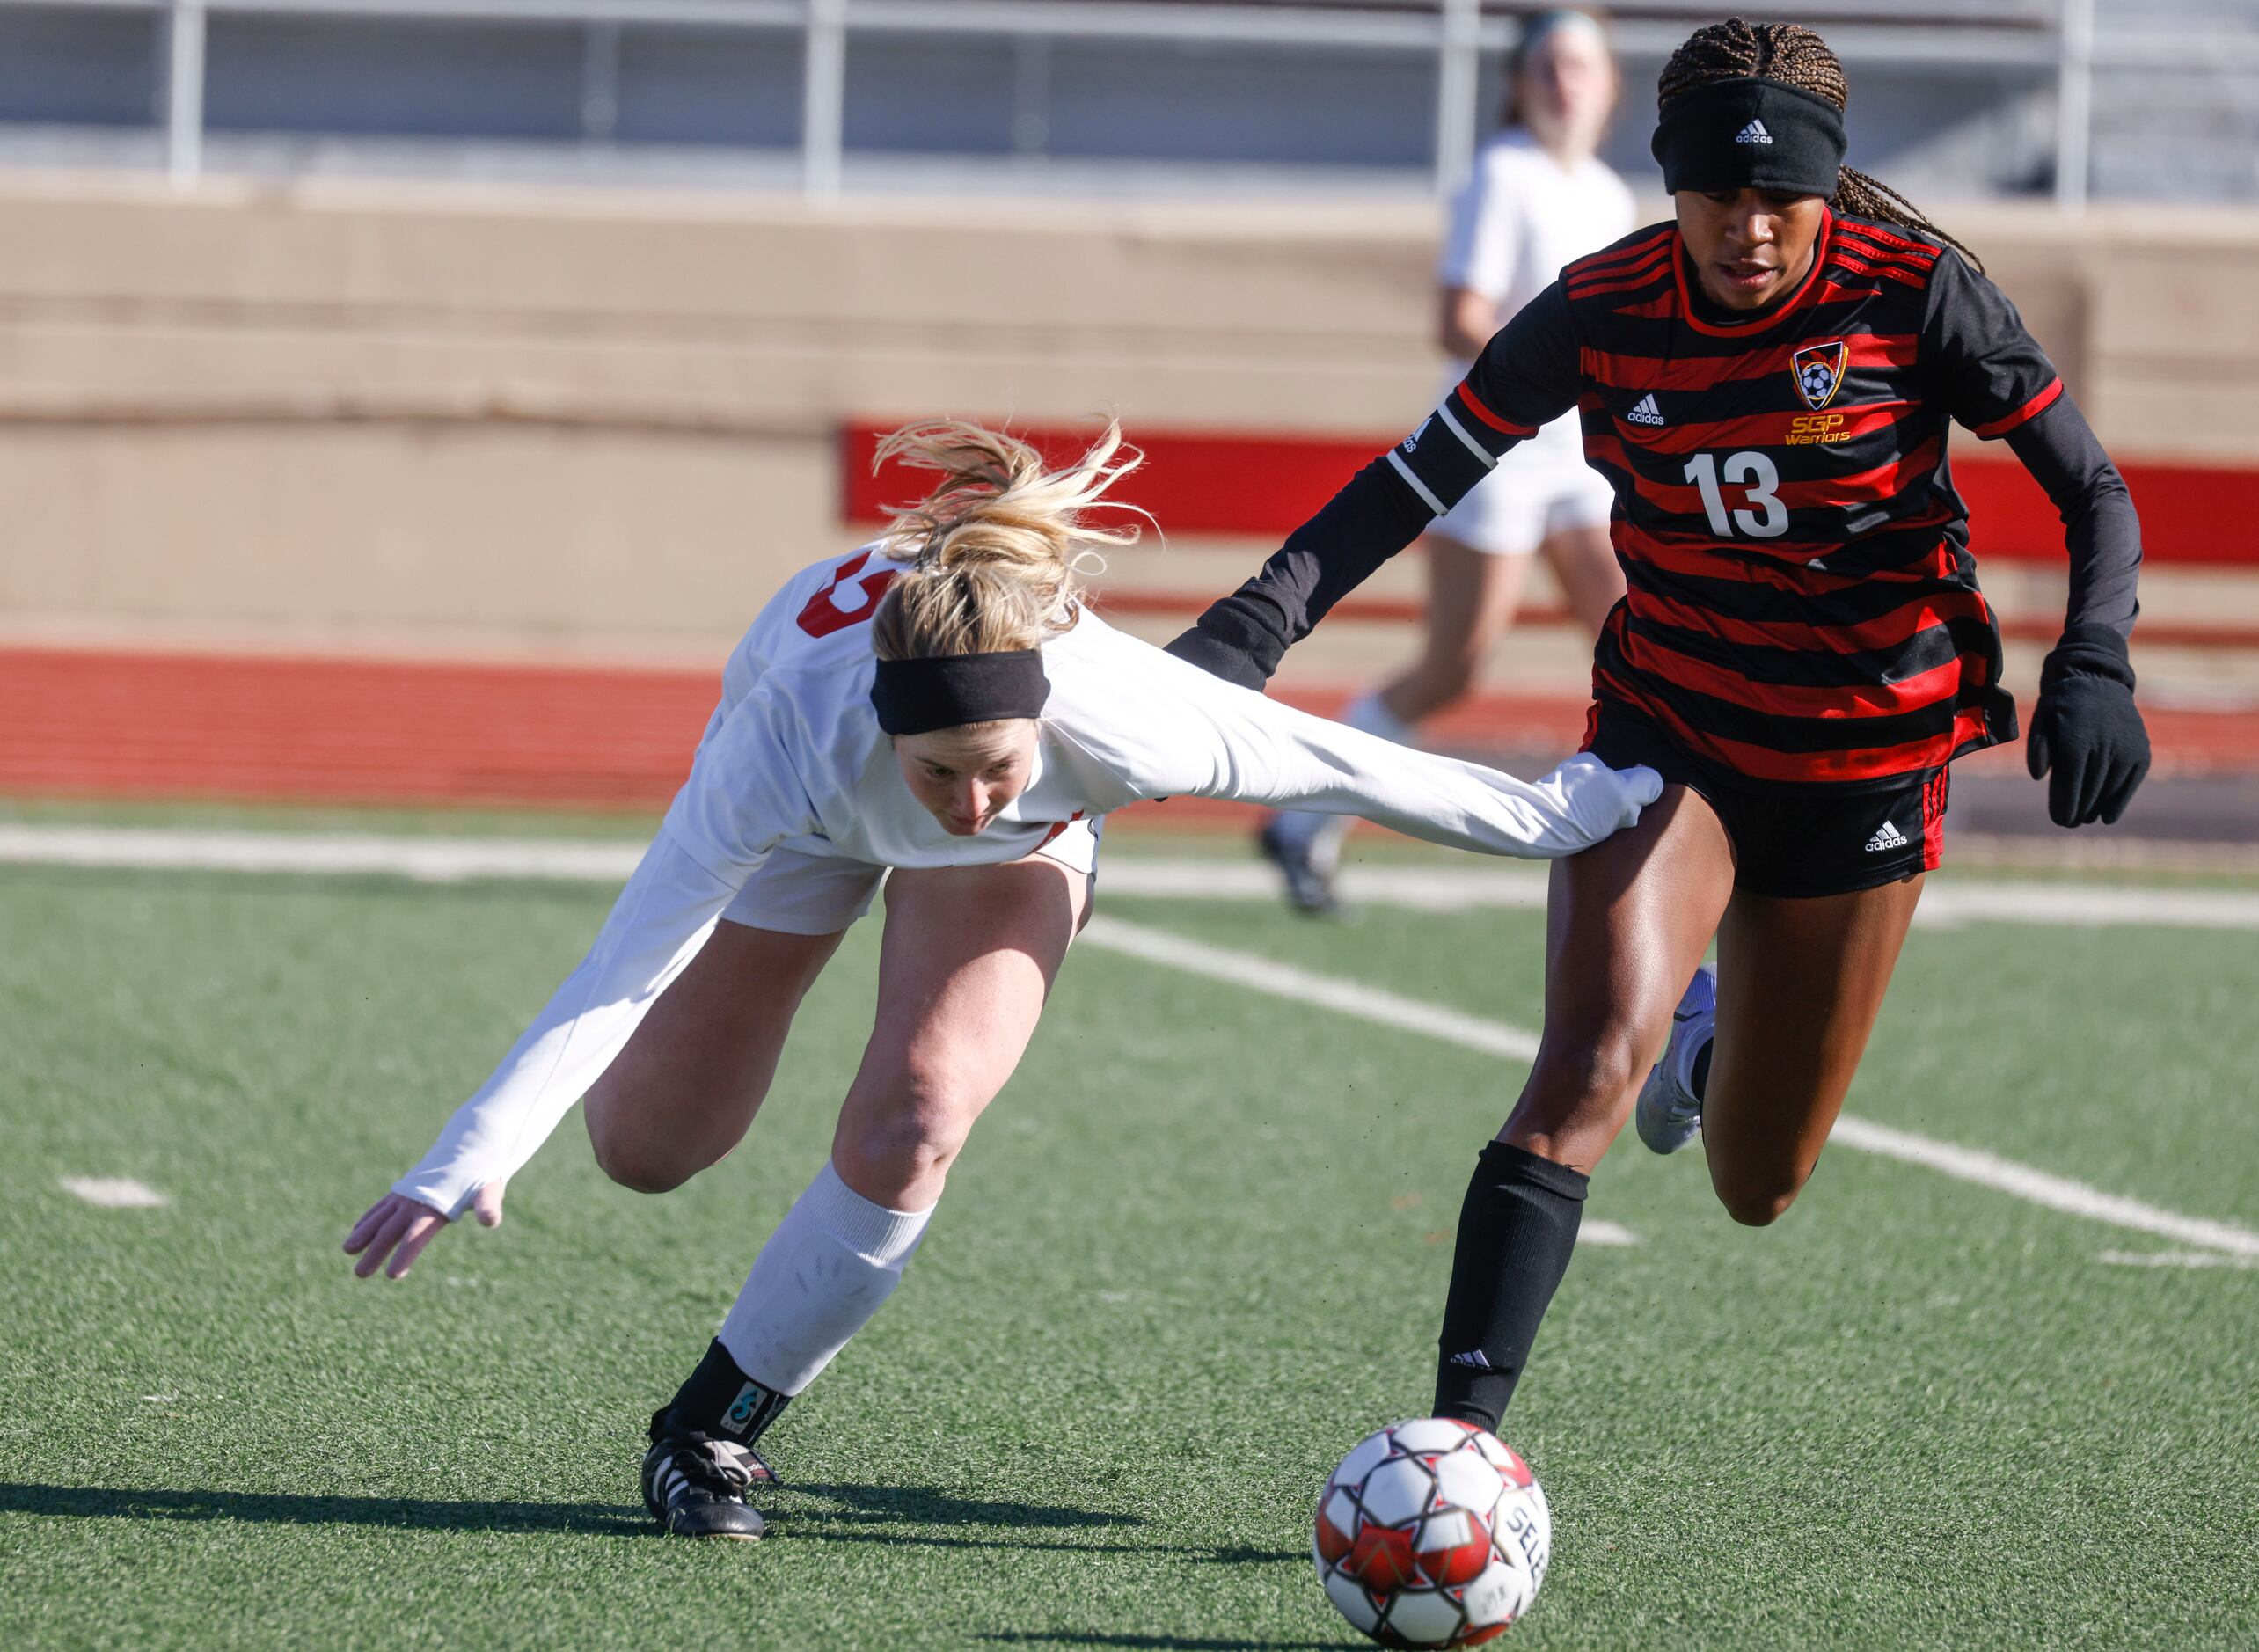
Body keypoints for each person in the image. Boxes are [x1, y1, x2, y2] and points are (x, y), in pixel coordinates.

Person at [340, 420, 1663, 1539]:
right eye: (943, 775)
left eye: (999, 764)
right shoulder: (785, 739)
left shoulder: (1115, 715)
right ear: (883, 725)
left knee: (917, 1114)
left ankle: (709, 1428)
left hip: (1039, 844)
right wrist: (475, 1149)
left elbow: (1358, 769)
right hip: (814, 831)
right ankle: (681, 1241)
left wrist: (1578, 808)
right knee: (645, 1145)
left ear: (1043, 721)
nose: (972, 801)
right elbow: (628, 956)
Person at [1167, 18, 2150, 1436]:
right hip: (1670, 727)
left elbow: (2094, 489)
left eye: (1779, 201)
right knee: (1576, 1071)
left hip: (1864, 763)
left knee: (1759, 1180)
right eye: (1715, 199)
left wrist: (2095, 658)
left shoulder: (1921, 295)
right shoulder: (1602, 306)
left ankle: (1706, 1038)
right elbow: (1415, 475)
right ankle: (1459, 1442)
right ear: (1670, 185)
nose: (1748, 231)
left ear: (1829, 185)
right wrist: (1248, 632)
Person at [1261, 7, 1638, 915]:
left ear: (1610, 84)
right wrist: (1548, 381)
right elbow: (1457, 318)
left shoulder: (1609, 193)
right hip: (1494, 448)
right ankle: (1301, 818)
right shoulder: (1500, 174)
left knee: (1634, 632)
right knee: (1454, 666)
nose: (1564, 84)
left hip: (1574, 457)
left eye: (1581, 67)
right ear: (1516, 83)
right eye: (1547, 66)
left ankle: (1643, 819)